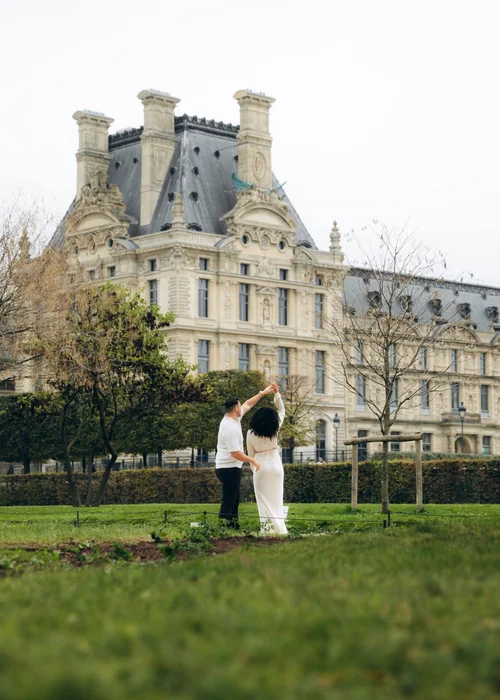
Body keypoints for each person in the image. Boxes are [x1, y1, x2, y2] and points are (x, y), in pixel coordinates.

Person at [215, 385, 275, 528]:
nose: (241, 407)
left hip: (231, 467)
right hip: (228, 468)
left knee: (234, 499)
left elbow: (248, 404)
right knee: (229, 500)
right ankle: (222, 528)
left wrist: (262, 393)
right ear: (236, 409)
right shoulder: (229, 427)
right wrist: (252, 460)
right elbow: (235, 453)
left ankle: (232, 526)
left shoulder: (233, 418)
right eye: (239, 406)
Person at [247, 383, 288, 535]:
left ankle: (267, 530)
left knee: (263, 502)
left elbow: (251, 456)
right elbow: (282, 410)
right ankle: (280, 530)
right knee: (277, 501)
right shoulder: (275, 428)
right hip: (276, 466)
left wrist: (254, 470)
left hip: (261, 467)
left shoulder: (250, 433)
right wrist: (276, 394)